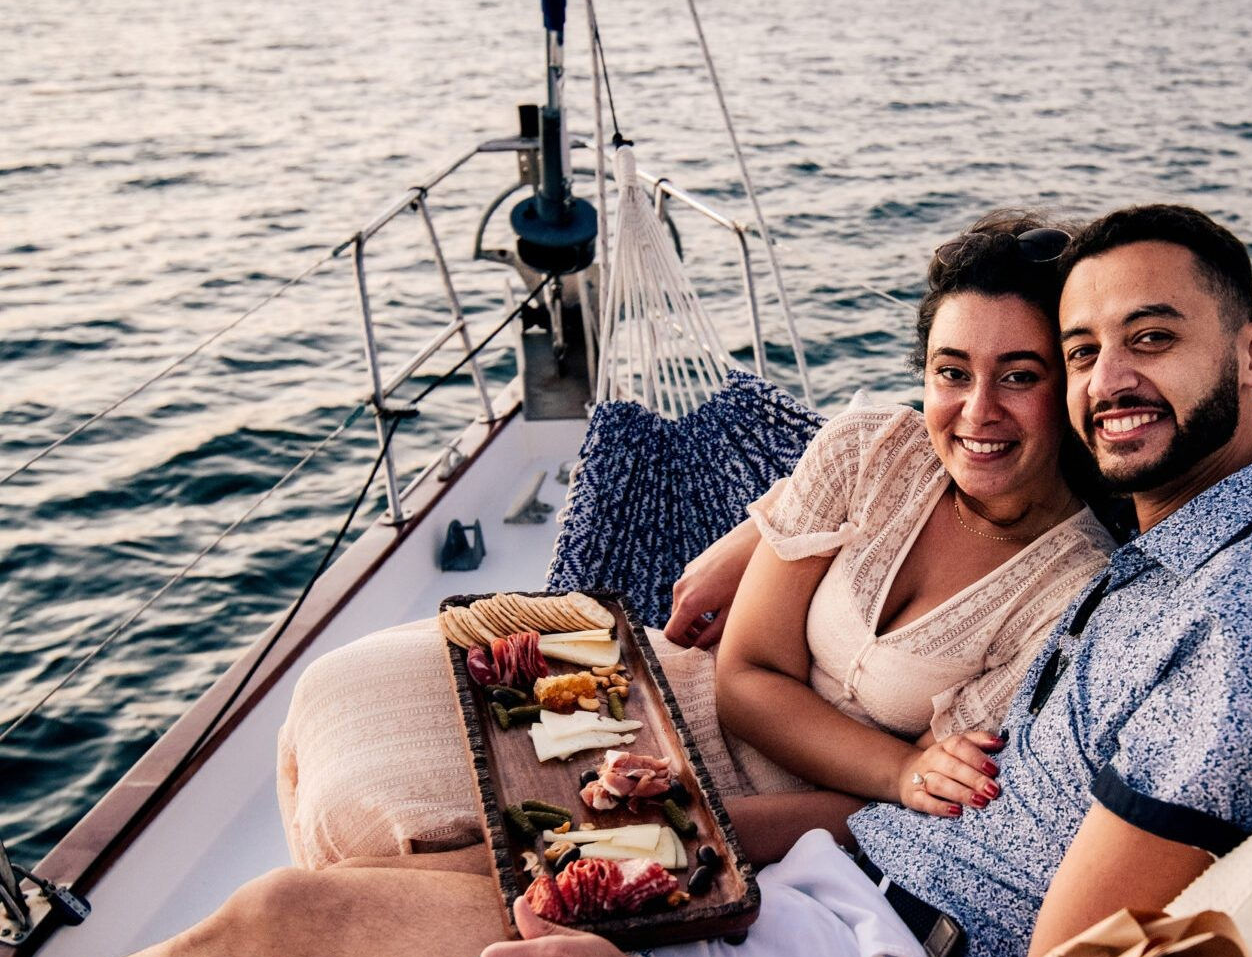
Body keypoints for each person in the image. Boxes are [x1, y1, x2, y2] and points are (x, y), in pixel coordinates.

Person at [0, 204, 1252, 957]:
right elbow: (934, 800)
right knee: (387, 869)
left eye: (1144, 340)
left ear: (1251, 349)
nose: (1101, 383)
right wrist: (702, 844)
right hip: (820, 891)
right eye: (1084, 350)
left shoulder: (1248, 614)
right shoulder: (1173, 564)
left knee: (287, 936)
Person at [276, 211, 1113, 872]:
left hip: (784, 818)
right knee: (337, 690)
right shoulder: (872, 446)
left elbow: (904, 811)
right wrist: (895, 765)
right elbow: (743, 680)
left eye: (1019, 375)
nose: (975, 412)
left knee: (392, 825)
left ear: (1073, 378)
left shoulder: (1073, 595)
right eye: (951, 371)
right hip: (659, 693)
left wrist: (664, 830)